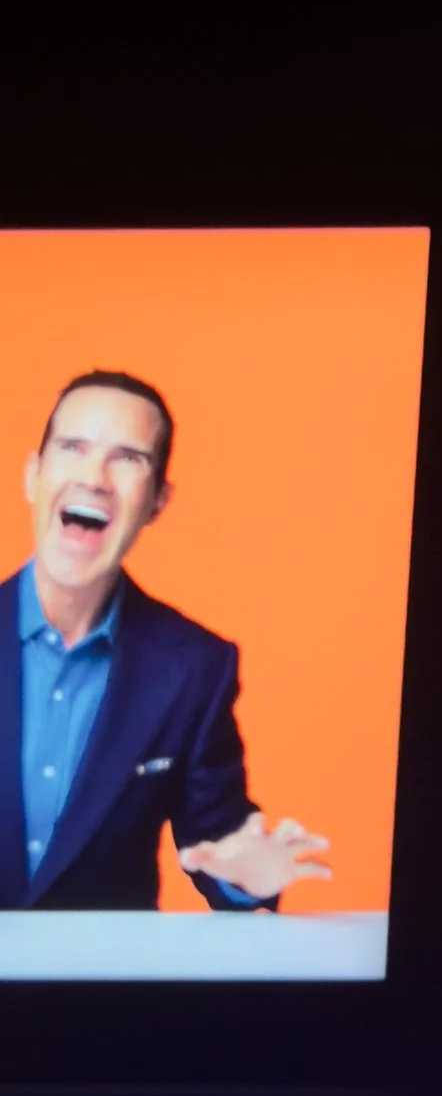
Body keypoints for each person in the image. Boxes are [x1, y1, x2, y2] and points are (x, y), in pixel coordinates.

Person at [4, 370, 329, 915]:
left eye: (128, 458)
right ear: (33, 478)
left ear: (158, 501)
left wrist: (246, 879)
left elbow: (220, 850)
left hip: (107, 995)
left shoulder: (196, 668)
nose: (95, 477)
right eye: (73, 447)